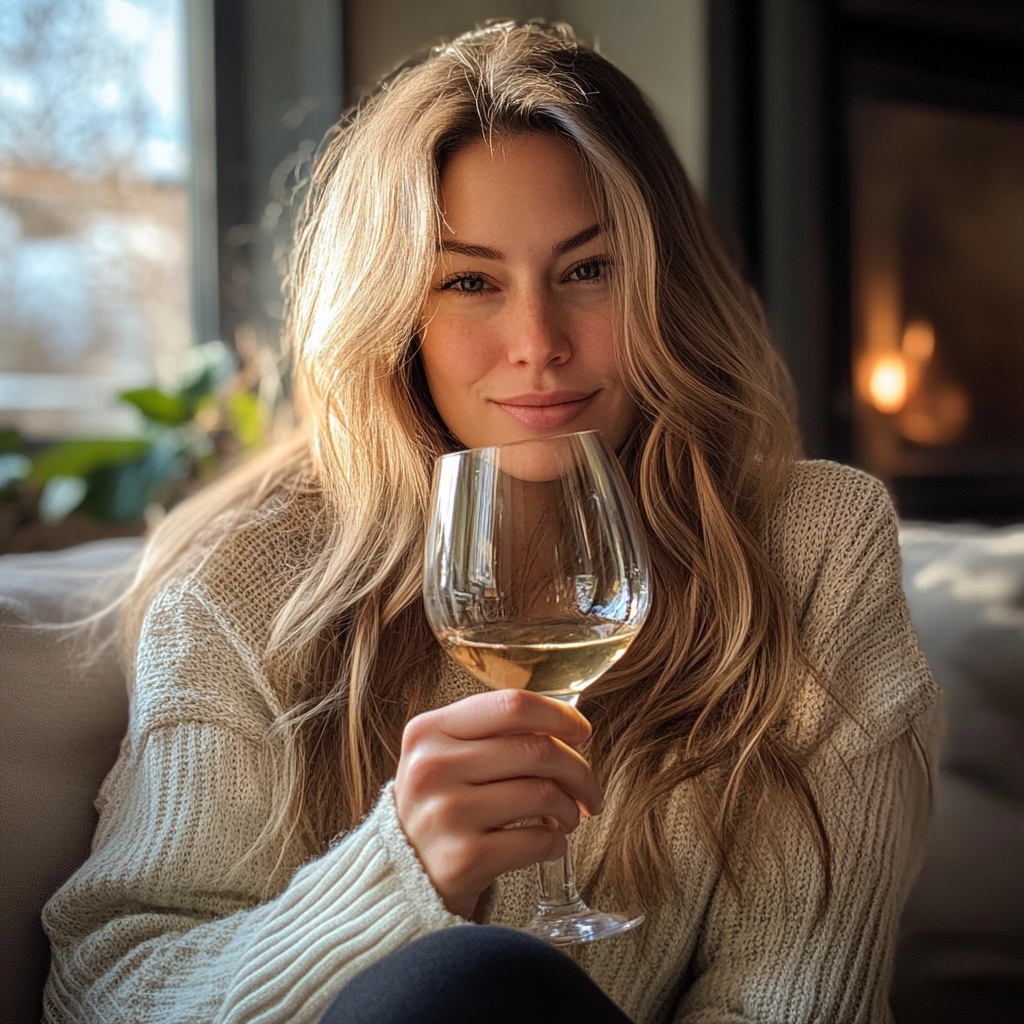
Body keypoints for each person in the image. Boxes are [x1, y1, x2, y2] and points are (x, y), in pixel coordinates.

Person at [42, 21, 939, 1024]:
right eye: (470, 281)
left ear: (660, 282)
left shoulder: (814, 546)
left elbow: (793, 998)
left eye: (587, 270)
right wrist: (397, 879)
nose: (538, 345)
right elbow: (107, 995)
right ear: (393, 315)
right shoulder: (248, 585)